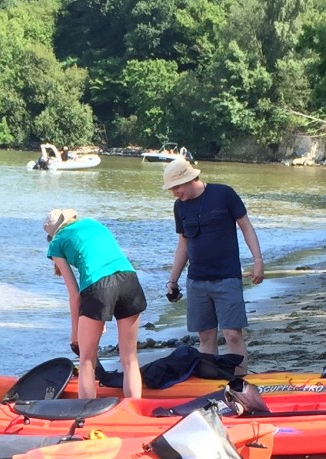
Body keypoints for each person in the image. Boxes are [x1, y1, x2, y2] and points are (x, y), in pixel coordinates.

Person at [161, 158, 264, 370]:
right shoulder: (179, 207)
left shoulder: (224, 194)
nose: (174, 193)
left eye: (176, 187)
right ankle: (212, 383)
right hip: (196, 281)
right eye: (171, 189)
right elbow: (183, 244)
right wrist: (173, 280)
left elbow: (246, 227)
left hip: (227, 278)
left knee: (232, 334)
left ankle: (239, 383)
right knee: (205, 336)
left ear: (190, 179)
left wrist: (257, 261)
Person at [43, 208, 145, 400]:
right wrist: (100, 315)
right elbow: (103, 263)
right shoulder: (92, 223)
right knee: (130, 359)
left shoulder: (56, 243)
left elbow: (75, 295)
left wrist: (75, 333)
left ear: (52, 233)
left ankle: (86, 414)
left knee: (86, 361)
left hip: (98, 288)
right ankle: (134, 411)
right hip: (129, 280)